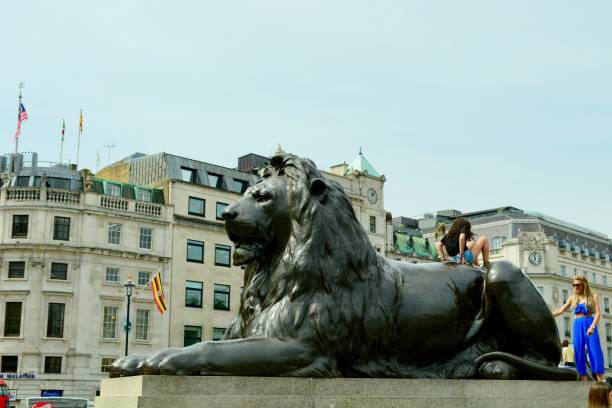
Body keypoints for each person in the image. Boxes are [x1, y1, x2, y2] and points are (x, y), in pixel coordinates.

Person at [553, 276, 605, 382]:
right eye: (574, 285)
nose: (575, 287)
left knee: (595, 350)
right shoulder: (572, 298)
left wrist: (592, 326)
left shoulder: (593, 296)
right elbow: (560, 310)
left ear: (584, 285)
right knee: (578, 351)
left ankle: (601, 381)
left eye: (578, 284)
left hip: (590, 323)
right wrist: (548, 315)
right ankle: (584, 381)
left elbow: (598, 313)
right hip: (577, 324)